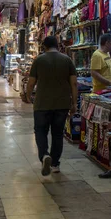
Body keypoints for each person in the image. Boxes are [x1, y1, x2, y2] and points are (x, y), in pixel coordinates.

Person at [23, 36, 78, 176]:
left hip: (42, 103)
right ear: (57, 45)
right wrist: (74, 103)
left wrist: (28, 96)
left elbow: (31, 83)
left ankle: (44, 155)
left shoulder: (39, 60)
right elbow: (74, 84)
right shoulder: (67, 60)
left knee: (40, 131)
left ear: (44, 47)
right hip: (62, 103)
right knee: (58, 134)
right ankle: (55, 164)